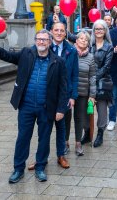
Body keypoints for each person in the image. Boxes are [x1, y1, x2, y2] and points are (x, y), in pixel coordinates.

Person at [0, 29, 68, 183]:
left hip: (46, 107)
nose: (41, 42)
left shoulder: (58, 61)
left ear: (49, 42)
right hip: (26, 106)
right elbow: (5, 55)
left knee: (44, 139)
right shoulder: (26, 54)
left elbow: (63, 88)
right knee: (22, 138)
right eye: (39, 39)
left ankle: (40, 167)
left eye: (44, 40)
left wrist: (61, 109)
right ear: (35, 41)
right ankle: (18, 169)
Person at [27, 22, 78, 171]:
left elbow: (74, 75)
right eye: (56, 30)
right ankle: (40, 158)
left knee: (62, 127)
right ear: (51, 32)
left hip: (64, 95)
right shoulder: (42, 48)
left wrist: (73, 96)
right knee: (45, 130)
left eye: (62, 30)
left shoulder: (71, 50)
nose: (59, 33)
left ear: (65, 33)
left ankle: (61, 155)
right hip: (46, 96)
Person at [72, 31, 96, 156]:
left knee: (79, 118)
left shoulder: (90, 57)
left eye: (86, 40)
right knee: (65, 118)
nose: (83, 41)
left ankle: (78, 143)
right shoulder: (70, 53)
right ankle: (64, 143)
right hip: (69, 92)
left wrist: (92, 95)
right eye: (81, 38)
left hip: (83, 92)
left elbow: (92, 76)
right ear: (76, 40)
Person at [90, 20, 113, 147]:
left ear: (105, 31)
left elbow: (106, 67)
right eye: (96, 29)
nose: (99, 31)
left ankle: (100, 134)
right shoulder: (89, 45)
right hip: (87, 82)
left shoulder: (109, 47)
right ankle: (87, 132)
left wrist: (93, 77)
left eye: (101, 29)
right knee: (86, 109)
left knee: (102, 110)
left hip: (102, 83)